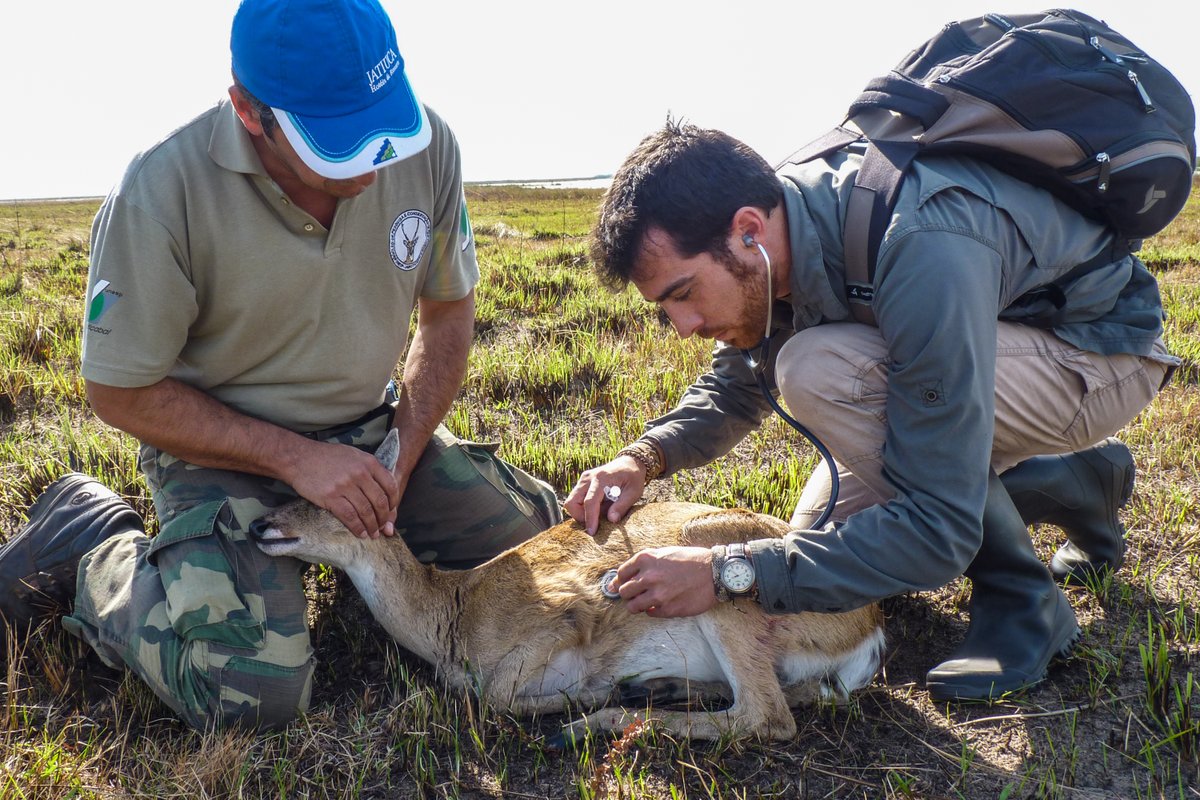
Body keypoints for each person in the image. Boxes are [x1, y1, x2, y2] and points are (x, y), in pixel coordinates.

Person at [0, 0, 560, 731]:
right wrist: (296, 459)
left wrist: (397, 457)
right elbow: (118, 392)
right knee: (250, 696)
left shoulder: (427, 148)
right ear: (249, 110)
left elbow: (447, 315)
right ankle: (94, 552)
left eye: (379, 126)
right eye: (336, 143)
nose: (372, 162)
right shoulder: (162, 189)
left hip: (371, 434)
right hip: (219, 453)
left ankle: (341, 561)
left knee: (540, 561)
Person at [565, 120, 1178, 701]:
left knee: (819, 372)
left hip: (1100, 358)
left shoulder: (919, 240)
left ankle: (1023, 599)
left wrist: (728, 572)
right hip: (986, 358)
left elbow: (936, 531)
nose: (684, 326)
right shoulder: (781, 233)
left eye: (684, 293)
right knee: (822, 541)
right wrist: (642, 458)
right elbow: (738, 384)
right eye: (665, 307)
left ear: (748, 230)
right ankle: (1068, 481)